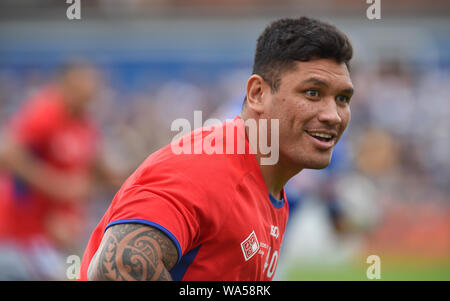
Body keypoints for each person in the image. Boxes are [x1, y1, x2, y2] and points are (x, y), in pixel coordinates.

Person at [79, 16, 354, 281]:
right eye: (312, 93)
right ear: (258, 93)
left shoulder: (271, 185)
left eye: (342, 98)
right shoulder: (203, 167)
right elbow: (119, 268)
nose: (334, 115)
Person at [0, 61, 111, 280]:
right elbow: (8, 154)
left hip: (59, 234)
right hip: (25, 235)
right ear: (67, 83)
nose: (91, 90)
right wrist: (56, 186)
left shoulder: (86, 123)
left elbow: (97, 170)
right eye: (85, 82)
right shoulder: (46, 112)